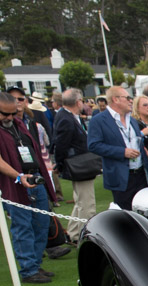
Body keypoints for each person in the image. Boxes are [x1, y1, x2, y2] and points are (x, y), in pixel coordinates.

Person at [0, 91, 63, 284]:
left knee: (42, 223)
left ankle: (34, 264)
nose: (10, 117)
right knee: (22, 227)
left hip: (36, 179)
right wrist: (18, 177)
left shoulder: (20, 125)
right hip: (15, 184)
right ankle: (28, 269)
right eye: (5, 114)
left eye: (13, 113)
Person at [87, 85, 148, 209]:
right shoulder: (99, 120)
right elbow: (93, 145)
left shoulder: (132, 120)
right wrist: (122, 152)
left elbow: (140, 146)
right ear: (115, 99)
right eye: (127, 98)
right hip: (121, 176)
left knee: (143, 212)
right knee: (126, 214)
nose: (131, 101)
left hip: (140, 175)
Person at [52, 88, 96, 242]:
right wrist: (60, 163)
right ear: (78, 102)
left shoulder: (68, 116)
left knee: (80, 202)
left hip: (79, 164)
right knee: (87, 204)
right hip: (79, 166)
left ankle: (74, 233)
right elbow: (60, 145)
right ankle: (82, 236)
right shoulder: (66, 118)